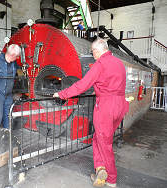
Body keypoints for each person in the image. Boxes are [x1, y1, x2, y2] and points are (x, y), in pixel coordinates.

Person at [53, 39, 129, 188]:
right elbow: (113, 83)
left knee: (104, 143)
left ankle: (111, 179)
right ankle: (100, 169)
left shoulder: (100, 64)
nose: (92, 54)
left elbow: (82, 85)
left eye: (92, 52)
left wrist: (62, 94)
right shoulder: (119, 63)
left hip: (106, 106)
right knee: (99, 138)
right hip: (120, 104)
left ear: (97, 51)